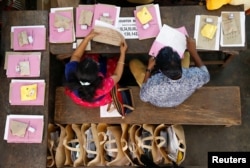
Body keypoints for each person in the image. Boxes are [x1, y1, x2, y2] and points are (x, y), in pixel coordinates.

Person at [129, 37, 210, 107]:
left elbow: (143, 97)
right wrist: (193, 52)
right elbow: (206, 75)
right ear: (180, 62)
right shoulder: (194, 77)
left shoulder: (152, 85)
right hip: (178, 101)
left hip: (160, 103)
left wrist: (149, 69)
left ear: (159, 70)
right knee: (187, 53)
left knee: (133, 62)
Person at [64, 29, 128, 107]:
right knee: (112, 66)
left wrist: (87, 38)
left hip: (80, 99)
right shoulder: (103, 86)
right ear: (98, 75)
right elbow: (117, 75)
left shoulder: (71, 74)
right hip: (99, 99)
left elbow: (76, 56)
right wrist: (123, 53)